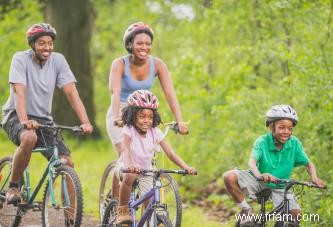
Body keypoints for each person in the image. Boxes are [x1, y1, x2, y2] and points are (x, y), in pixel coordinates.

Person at [1, 23, 93, 205]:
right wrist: (24, 120)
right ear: (32, 44)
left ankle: (71, 218)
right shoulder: (20, 59)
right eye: (42, 43)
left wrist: (85, 122)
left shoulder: (58, 60)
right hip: (15, 114)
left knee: (67, 163)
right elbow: (19, 92)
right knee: (29, 138)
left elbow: (72, 94)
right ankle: (13, 186)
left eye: (50, 43)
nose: (47, 47)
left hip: (43, 119)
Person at [223, 104, 325, 226]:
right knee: (229, 176)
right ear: (272, 127)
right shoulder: (262, 141)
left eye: (290, 128)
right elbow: (252, 162)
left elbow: (308, 164)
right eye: (282, 128)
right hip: (259, 180)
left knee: (296, 216)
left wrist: (314, 178)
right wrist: (260, 175)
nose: (286, 132)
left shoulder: (295, 143)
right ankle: (246, 209)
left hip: (281, 185)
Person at [112, 89, 195, 225]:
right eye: (142, 116)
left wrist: (186, 167)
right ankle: (122, 209)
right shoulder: (128, 130)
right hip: (125, 167)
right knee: (130, 176)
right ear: (133, 115)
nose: (147, 121)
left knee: (149, 205)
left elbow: (170, 153)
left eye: (150, 117)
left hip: (145, 171)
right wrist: (129, 166)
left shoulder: (155, 132)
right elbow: (125, 149)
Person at [106, 21, 188, 158]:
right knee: (125, 157)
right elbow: (115, 92)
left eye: (148, 44)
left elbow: (170, 93)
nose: (144, 47)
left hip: (144, 113)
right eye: (139, 43)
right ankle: (119, 178)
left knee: (147, 156)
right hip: (120, 109)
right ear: (130, 44)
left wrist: (180, 120)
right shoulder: (119, 64)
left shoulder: (158, 65)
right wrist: (116, 117)